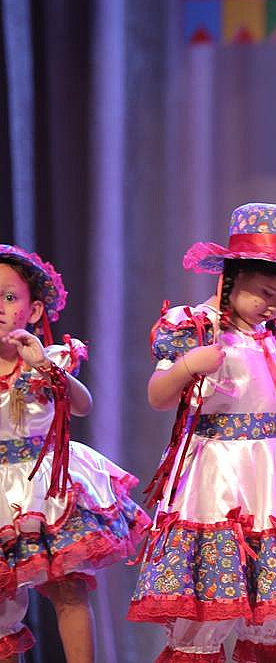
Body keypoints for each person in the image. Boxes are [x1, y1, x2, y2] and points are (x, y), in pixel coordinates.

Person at [127, 203, 276, 662]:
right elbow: (159, 395)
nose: (274, 307)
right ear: (231, 277)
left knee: (271, 603)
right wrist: (189, 364)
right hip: (219, 472)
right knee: (211, 598)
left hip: (269, 476)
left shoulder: (271, 332)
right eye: (266, 293)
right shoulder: (195, 326)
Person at [0, 244, 149, 663]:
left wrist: (45, 368)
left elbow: (82, 405)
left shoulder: (48, 360)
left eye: (8, 297)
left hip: (46, 484)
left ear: (33, 311)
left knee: (68, 588)